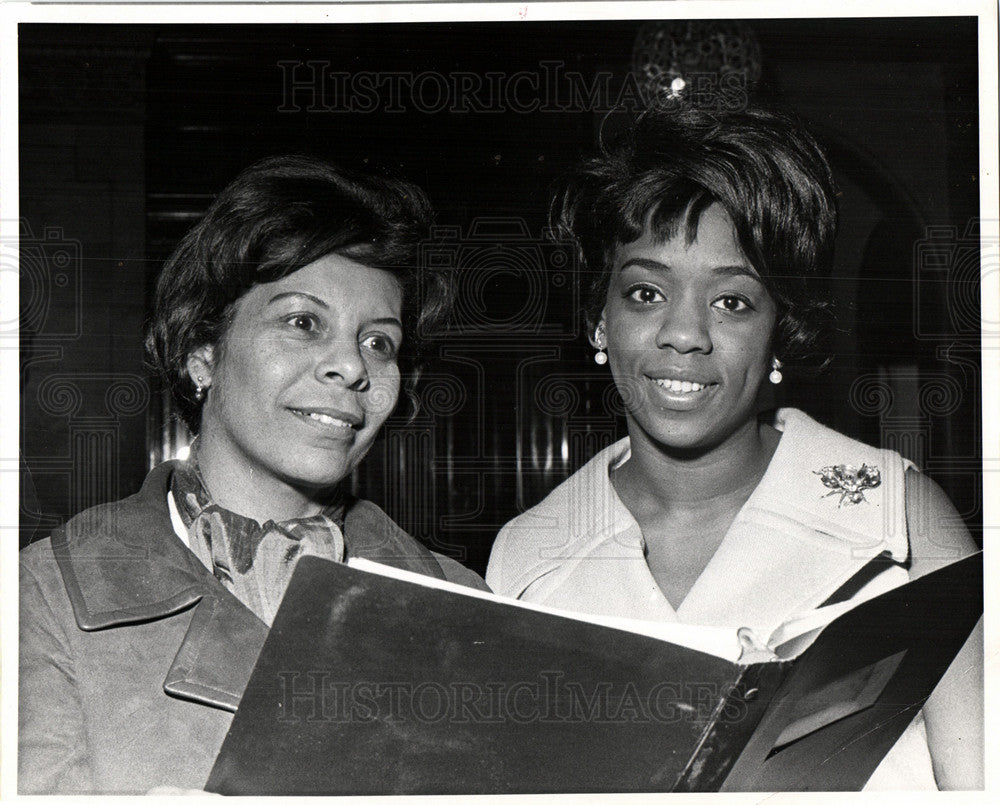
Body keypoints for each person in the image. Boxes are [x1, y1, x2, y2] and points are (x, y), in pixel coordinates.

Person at [486, 107, 982, 790]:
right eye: (645, 292)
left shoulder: (898, 516)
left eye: (733, 302)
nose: (684, 333)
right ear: (600, 318)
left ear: (781, 330)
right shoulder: (527, 557)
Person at [19, 155, 487, 794]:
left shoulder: (464, 604)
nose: (352, 366)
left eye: (379, 342)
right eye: (303, 322)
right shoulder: (39, 599)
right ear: (202, 351)